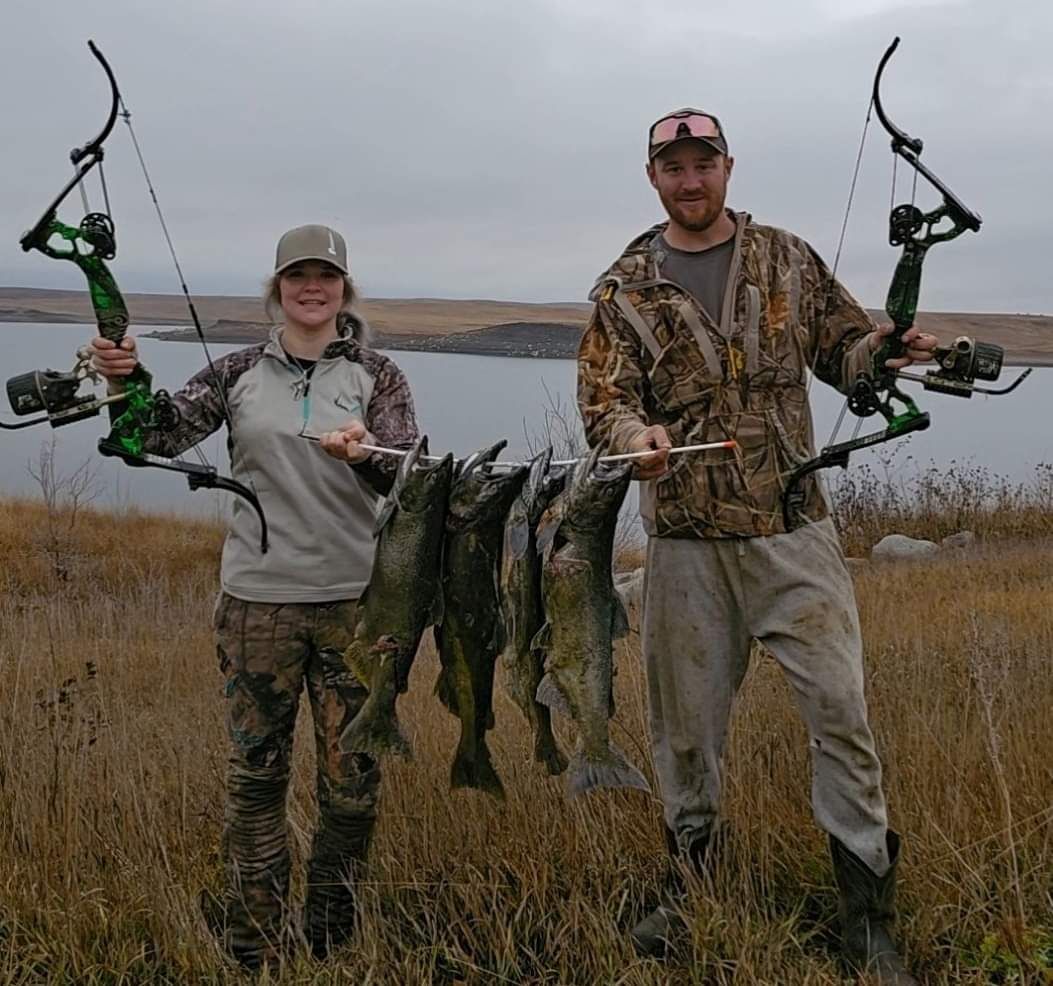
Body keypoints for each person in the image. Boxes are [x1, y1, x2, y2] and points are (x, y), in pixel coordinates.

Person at [576, 109, 934, 984]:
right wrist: (632, 437)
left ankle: (865, 913)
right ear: (652, 177)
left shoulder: (784, 257)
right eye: (673, 167)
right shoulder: (621, 289)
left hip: (793, 535)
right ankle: (691, 877)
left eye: (703, 164)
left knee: (840, 718)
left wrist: (882, 352)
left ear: (727, 168)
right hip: (687, 549)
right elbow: (602, 404)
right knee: (684, 735)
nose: (689, 180)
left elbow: (842, 348)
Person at [91, 224, 419, 968]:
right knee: (255, 779)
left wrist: (367, 455)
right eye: (298, 276)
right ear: (277, 288)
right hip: (257, 607)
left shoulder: (380, 375)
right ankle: (254, 940)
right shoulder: (236, 370)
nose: (313, 288)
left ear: (344, 288)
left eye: (326, 276)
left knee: (351, 787)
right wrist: (123, 376)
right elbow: (154, 438)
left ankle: (330, 934)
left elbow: (409, 473)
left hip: (358, 611)